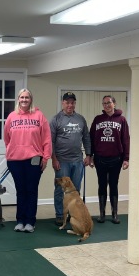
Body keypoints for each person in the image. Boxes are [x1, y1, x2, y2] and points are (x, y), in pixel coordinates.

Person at [4, 88, 52, 233]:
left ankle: (30, 221)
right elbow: (7, 138)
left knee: (31, 190)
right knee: (20, 190)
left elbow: (47, 138)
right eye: (22, 97)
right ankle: (20, 220)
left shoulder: (39, 116)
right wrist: (11, 151)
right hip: (15, 160)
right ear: (18, 99)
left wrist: (46, 157)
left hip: (34, 159)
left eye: (27, 97)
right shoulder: (12, 116)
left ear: (31, 99)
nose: (24, 100)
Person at [50, 92, 92, 226]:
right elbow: (50, 142)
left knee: (75, 190)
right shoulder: (56, 119)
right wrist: (54, 159)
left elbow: (86, 137)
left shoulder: (80, 119)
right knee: (59, 189)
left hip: (78, 161)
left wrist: (89, 156)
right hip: (62, 161)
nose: (70, 105)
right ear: (63, 103)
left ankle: (72, 214)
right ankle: (59, 215)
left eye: (72, 102)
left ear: (75, 103)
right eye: (67, 102)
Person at [89, 95, 130, 224]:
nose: (106, 105)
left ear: (114, 103)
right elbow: (91, 138)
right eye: (104, 103)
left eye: (109, 102)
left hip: (116, 159)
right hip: (100, 158)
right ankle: (101, 214)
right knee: (101, 185)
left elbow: (126, 140)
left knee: (113, 185)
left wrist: (126, 158)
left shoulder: (121, 120)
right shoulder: (97, 119)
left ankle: (114, 214)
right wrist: (90, 156)